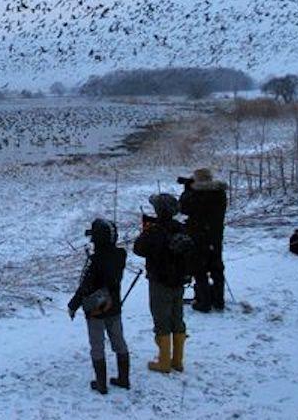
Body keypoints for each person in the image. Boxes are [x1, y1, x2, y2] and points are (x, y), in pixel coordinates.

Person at [67, 218, 130, 394]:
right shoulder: (120, 255)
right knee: (119, 341)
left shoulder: (95, 261)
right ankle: (124, 379)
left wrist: (73, 305)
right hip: (114, 306)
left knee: (97, 345)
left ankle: (101, 384)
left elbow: (85, 287)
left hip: (95, 309)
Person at [132, 193, 189, 374]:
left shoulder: (154, 231)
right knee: (177, 318)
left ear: (159, 210)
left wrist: (147, 230)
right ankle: (177, 361)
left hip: (159, 281)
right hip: (178, 281)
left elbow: (138, 249)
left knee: (161, 319)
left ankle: (164, 362)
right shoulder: (181, 228)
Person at [178, 167, 227, 312]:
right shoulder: (220, 193)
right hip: (215, 236)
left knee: (199, 270)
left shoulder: (196, 195)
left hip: (198, 237)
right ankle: (218, 301)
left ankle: (204, 302)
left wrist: (188, 188)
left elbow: (183, 208)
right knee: (216, 268)